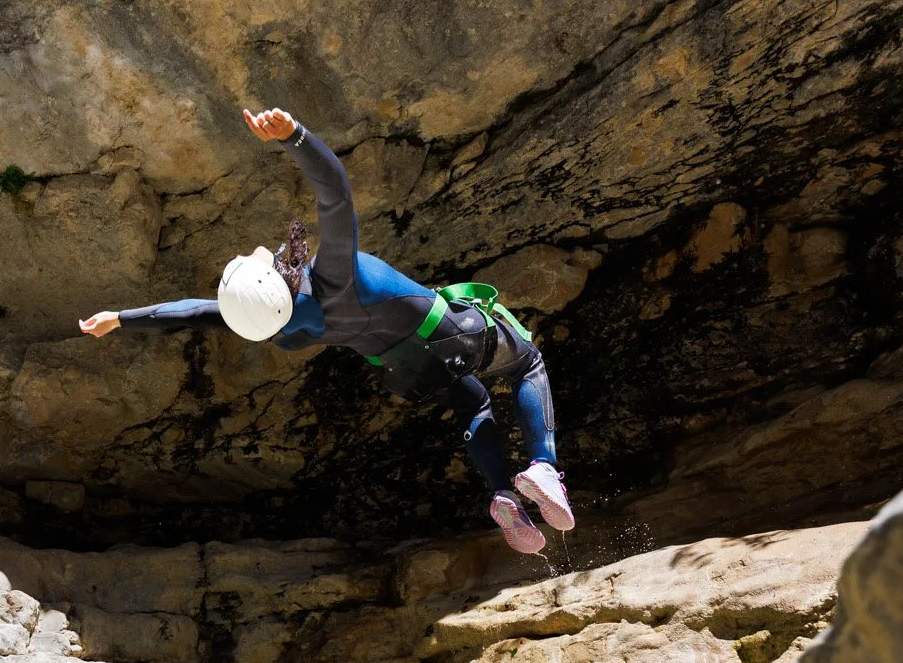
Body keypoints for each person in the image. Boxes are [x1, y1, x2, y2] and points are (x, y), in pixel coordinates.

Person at [79, 106, 571, 554]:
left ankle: (503, 493)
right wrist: (295, 137)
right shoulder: (332, 273)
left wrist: (121, 319)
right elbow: (335, 193)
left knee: (474, 402)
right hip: (451, 334)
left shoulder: (283, 329)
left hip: (406, 374)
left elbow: (192, 313)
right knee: (528, 362)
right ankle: (544, 466)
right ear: (277, 275)